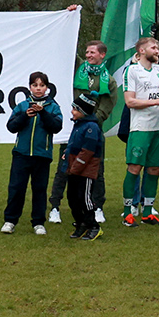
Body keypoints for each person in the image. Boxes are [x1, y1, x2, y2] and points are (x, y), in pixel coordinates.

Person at [49, 40, 114, 225]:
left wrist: (89, 121)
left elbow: (106, 107)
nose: (88, 55)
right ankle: (55, 207)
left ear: (102, 54)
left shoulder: (108, 80)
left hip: (92, 130)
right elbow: (67, 45)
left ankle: (97, 207)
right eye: (86, 52)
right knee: (63, 167)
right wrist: (70, 17)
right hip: (72, 129)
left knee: (96, 169)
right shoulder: (78, 70)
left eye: (92, 52)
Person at [119, 35, 159, 225]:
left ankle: (148, 211)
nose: (157, 51)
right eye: (153, 47)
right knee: (134, 167)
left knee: (155, 168)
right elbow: (130, 101)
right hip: (140, 128)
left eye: (158, 48)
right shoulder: (131, 71)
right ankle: (128, 211)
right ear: (142, 50)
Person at [1, 72, 62, 236]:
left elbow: (56, 126)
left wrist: (43, 113)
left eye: (42, 85)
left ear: (47, 88)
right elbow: (11, 126)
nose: (38, 89)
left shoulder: (53, 107)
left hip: (42, 155)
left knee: (40, 189)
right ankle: (10, 221)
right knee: (16, 188)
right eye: (35, 85)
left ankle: (38, 222)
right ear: (29, 87)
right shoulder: (22, 105)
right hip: (21, 154)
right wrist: (24, 116)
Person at [64, 93, 105, 241]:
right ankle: (80, 223)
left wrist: (76, 167)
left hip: (84, 172)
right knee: (72, 198)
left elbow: (87, 152)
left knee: (84, 198)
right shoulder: (78, 125)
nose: (72, 111)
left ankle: (93, 226)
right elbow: (74, 146)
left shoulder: (91, 127)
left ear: (84, 111)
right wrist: (66, 155)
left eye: (75, 109)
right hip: (73, 169)